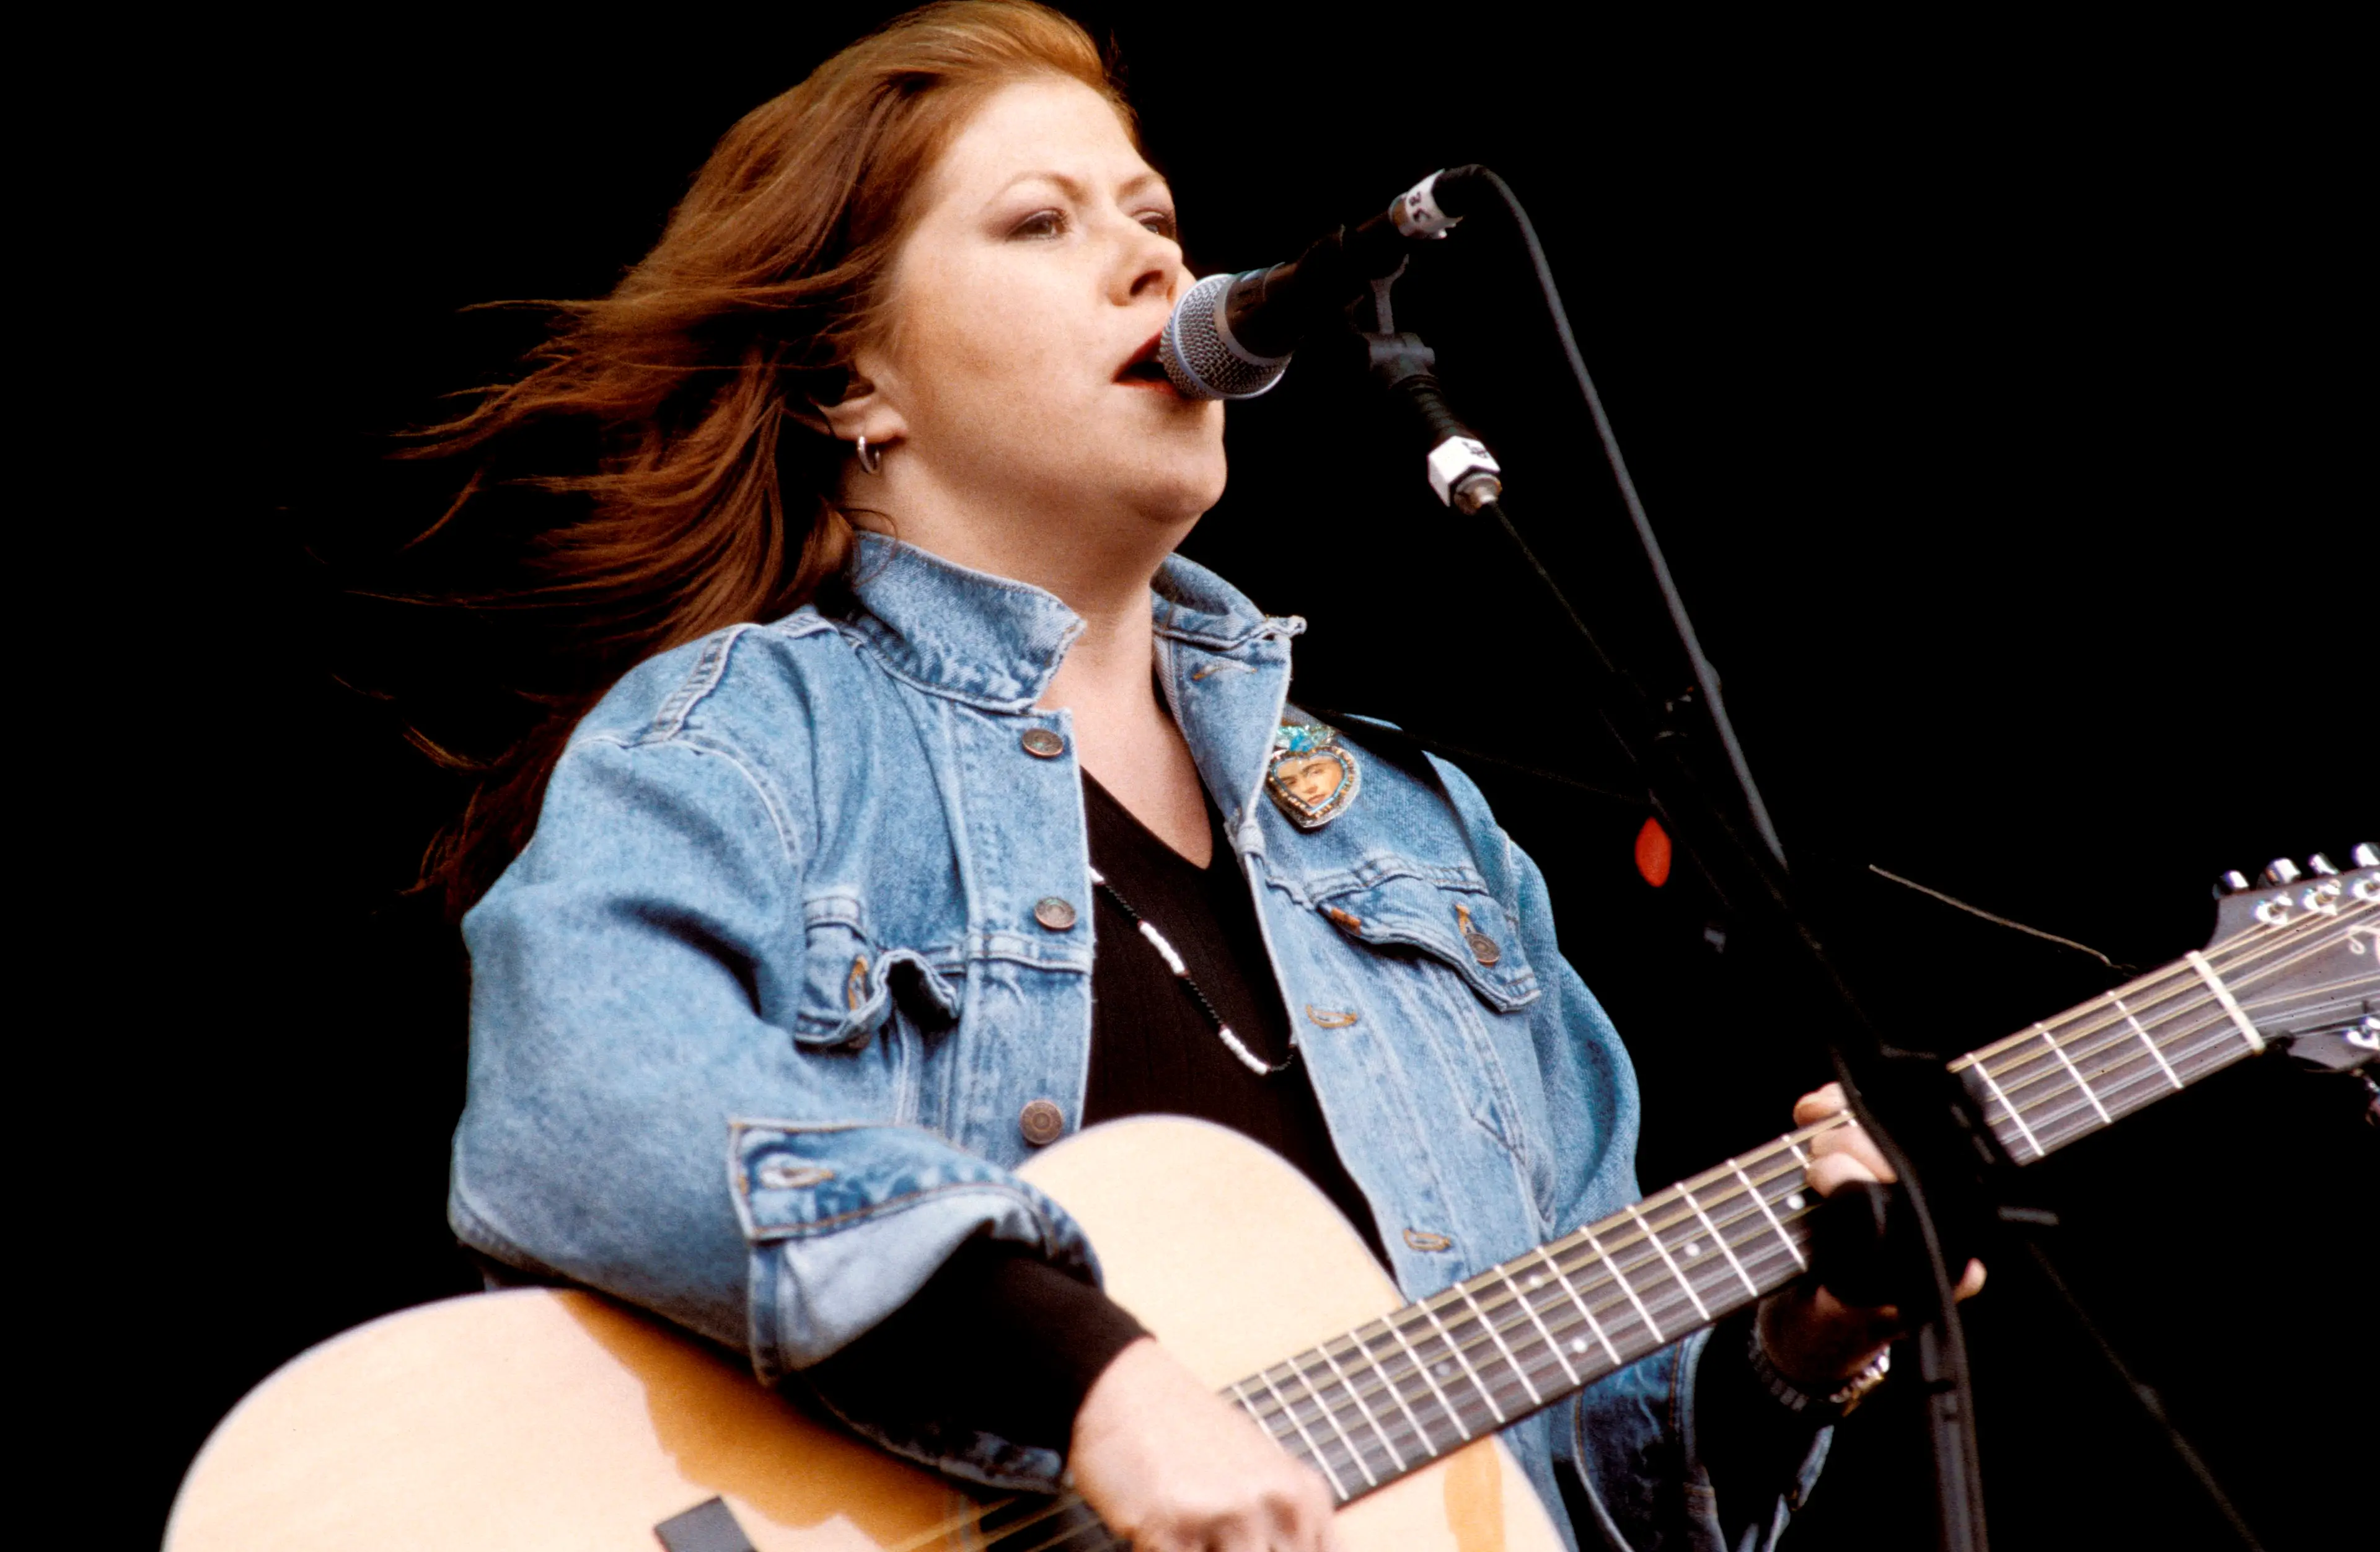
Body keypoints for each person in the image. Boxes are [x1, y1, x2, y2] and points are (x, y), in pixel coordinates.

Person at [436, 6, 1977, 1549]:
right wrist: (1101, 1384)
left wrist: (1808, 1336)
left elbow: (1583, 1483)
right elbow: (588, 1106)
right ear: (854, 385)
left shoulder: (1427, 841)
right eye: (1041, 222)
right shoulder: (746, 738)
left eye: (1157, 218)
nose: (1156, 267)